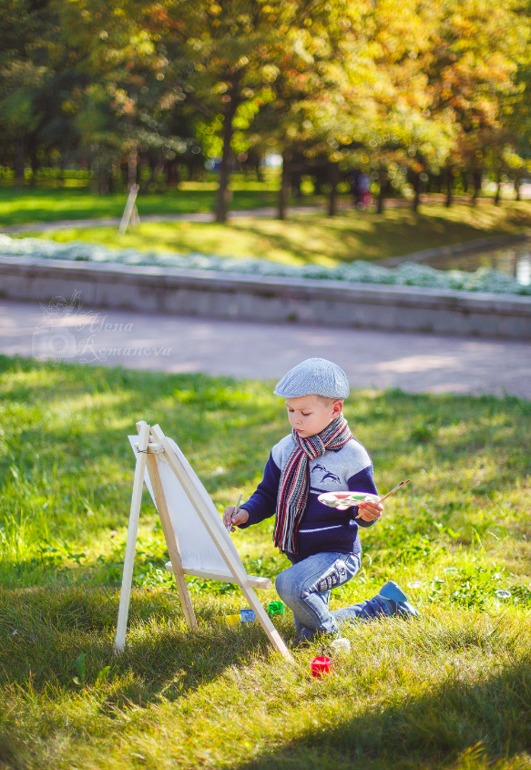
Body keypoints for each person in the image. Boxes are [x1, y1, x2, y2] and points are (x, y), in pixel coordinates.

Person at [223, 357, 419, 645]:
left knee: (289, 586)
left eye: (305, 412)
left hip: (337, 553)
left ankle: (328, 639)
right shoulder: (285, 449)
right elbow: (267, 495)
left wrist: (368, 513)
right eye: (290, 411)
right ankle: (384, 605)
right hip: (300, 553)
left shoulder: (351, 456)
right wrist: (245, 513)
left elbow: (364, 507)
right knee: (306, 625)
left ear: (335, 409)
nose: (295, 420)